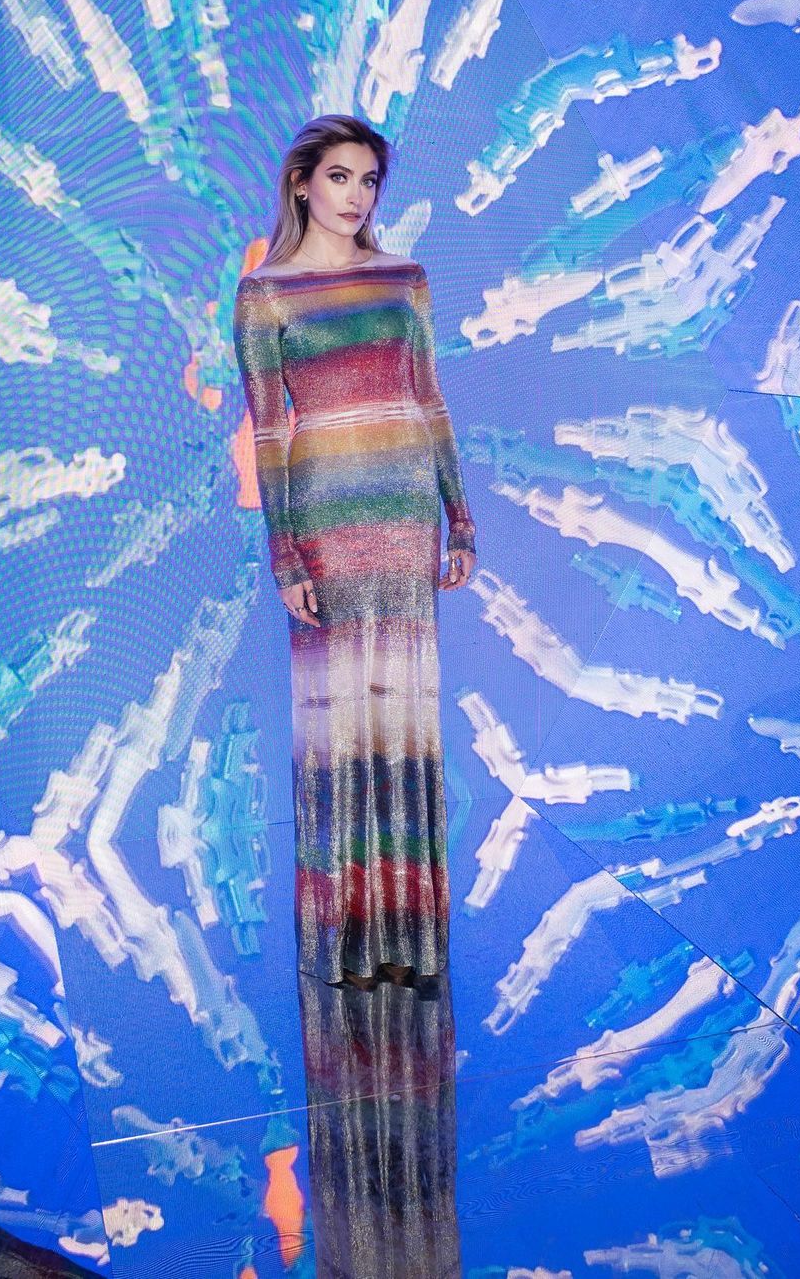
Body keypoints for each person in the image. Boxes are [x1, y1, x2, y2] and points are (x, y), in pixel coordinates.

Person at [232, 114, 477, 992]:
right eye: (340, 176)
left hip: (406, 518)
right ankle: (346, 942)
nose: (357, 196)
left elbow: (430, 400)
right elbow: (268, 433)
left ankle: (410, 940)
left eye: (369, 180)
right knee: (338, 729)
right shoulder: (264, 294)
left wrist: (460, 516)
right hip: (326, 522)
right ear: (302, 183)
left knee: (404, 718)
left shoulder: (405, 278)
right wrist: (284, 556)